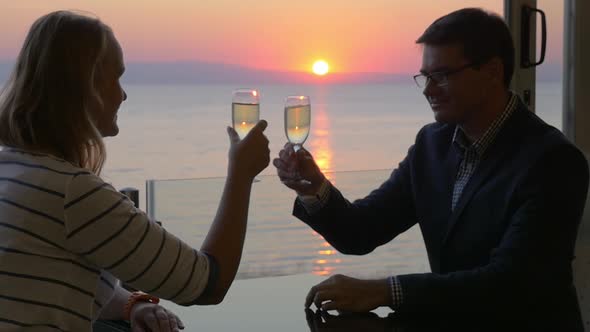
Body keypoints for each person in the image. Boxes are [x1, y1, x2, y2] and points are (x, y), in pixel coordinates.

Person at [274, 7, 589, 329]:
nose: (428, 90)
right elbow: (361, 231)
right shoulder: (433, 144)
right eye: (425, 76)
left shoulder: (553, 161)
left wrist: (385, 291)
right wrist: (314, 190)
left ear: (493, 71)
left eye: (441, 76)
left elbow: (510, 283)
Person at [0, 11, 270, 332]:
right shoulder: (74, 194)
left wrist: (130, 305)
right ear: (86, 85)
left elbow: (45, 280)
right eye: (117, 77)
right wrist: (241, 175)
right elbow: (208, 283)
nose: (123, 94)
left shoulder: (13, 169)